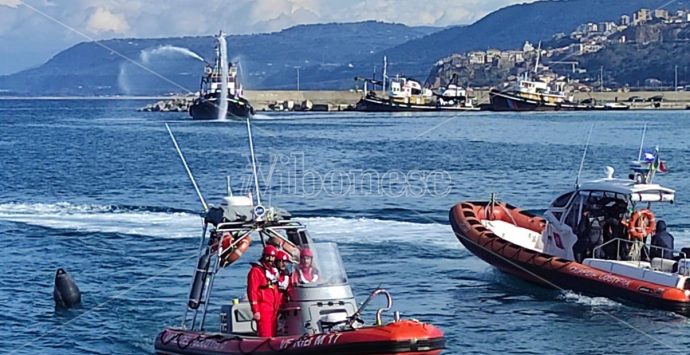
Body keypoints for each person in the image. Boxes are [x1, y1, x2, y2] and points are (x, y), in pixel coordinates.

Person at [247, 245, 279, 337]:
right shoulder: (256, 271)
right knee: (266, 334)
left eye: (272, 257)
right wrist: (255, 310)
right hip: (263, 308)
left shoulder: (273, 271)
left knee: (273, 333)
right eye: (268, 256)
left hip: (274, 308)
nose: (270, 259)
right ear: (263, 256)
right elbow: (252, 291)